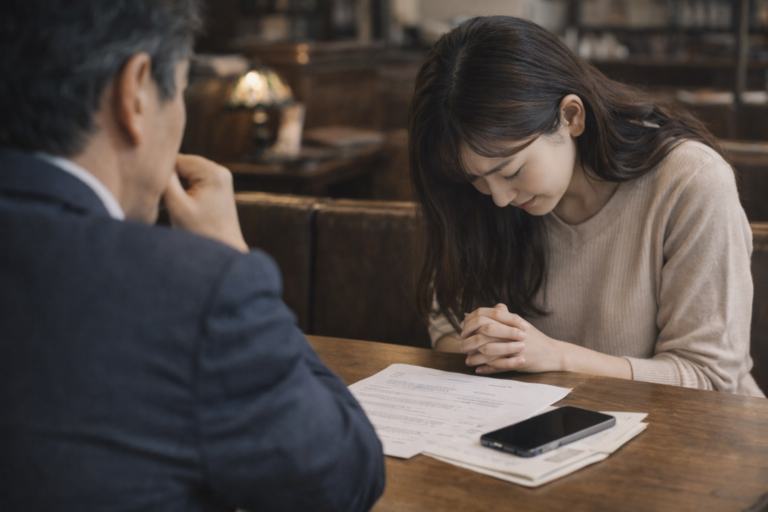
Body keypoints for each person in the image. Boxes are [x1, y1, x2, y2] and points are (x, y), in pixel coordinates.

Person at [0, 1, 385, 510]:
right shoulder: (197, 290)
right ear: (135, 93)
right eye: (180, 90)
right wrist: (229, 254)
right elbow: (344, 478)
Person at [408, 16, 764, 397]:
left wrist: (557, 357)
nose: (497, 197)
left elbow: (708, 377)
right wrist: (482, 346)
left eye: (511, 171)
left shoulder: (690, 181)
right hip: (552, 431)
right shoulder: (476, 191)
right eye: (475, 178)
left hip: (700, 436)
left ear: (571, 117)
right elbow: (445, 322)